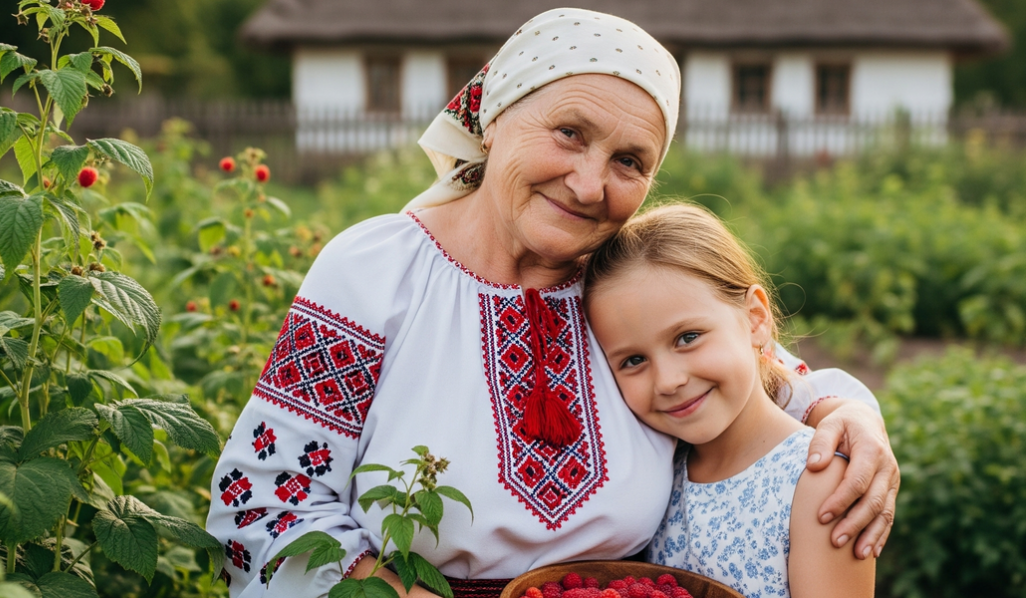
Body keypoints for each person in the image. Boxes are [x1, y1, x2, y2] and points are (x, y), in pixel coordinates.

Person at [206, 8, 898, 598]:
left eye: (630, 161)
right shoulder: (378, 271)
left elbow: (762, 372)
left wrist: (849, 412)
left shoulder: (622, 278)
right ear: (494, 118)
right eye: (569, 133)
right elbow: (267, 500)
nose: (590, 184)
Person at [584, 203, 876, 598]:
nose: (669, 381)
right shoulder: (660, 469)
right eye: (634, 360)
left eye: (687, 337)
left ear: (755, 318)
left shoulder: (818, 479)